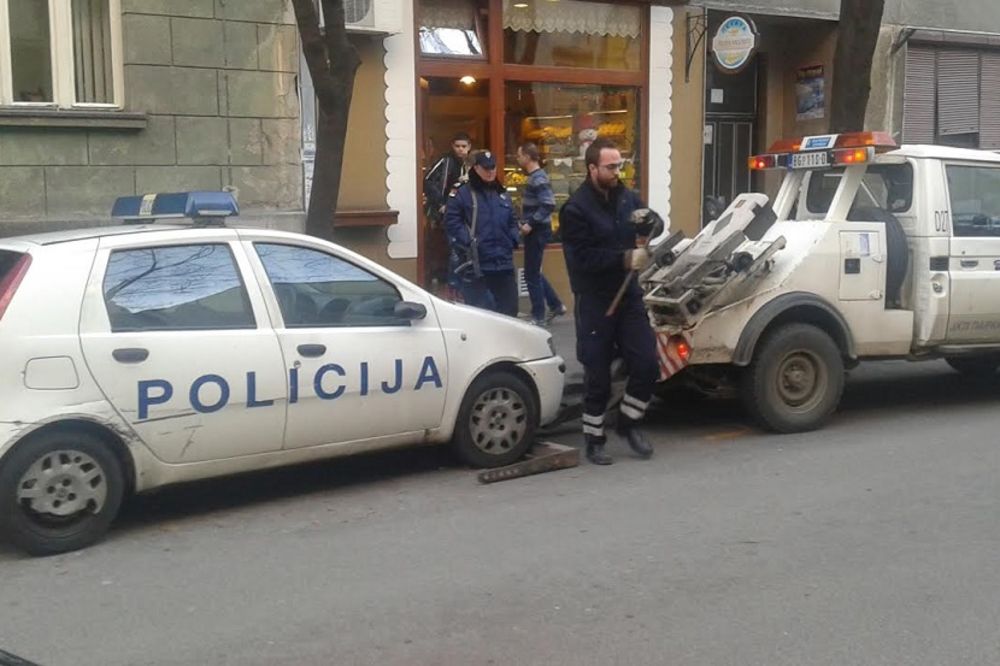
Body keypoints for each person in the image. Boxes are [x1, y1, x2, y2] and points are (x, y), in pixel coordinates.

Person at [560, 138, 658, 466]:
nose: (618, 171)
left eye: (620, 165)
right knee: (597, 375)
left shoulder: (626, 198)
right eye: (611, 166)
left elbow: (652, 221)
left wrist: (650, 225)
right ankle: (594, 438)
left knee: (647, 363)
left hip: (628, 297)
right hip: (595, 301)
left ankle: (628, 424)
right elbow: (581, 260)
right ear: (592, 168)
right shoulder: (575, 209)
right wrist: (625, 258)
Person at [445, 150, 520, 316]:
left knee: (510, 312)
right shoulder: (462, 193)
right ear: (476, 168)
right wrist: (469, 243)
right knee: (482, 314)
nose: (490, 172)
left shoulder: (501, 192)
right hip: (476, 266)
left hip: (504, 263)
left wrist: (513, 238)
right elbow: (452, 222)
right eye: (486, 168)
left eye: (493, 168)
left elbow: (513, 219)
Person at [515, 142, 567, 327]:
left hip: (537, 230)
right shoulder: (535, 177)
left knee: (531, 274)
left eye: (520, 155)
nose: (518, 158)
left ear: (528, 157)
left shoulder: (538, 178)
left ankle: (538, 315)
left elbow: (548, 203)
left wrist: (531, 222)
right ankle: (556, 304)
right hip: (537, 229)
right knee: (534, 271)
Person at [424, 133, 472, 293]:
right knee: (451, 249)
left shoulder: (471, 164)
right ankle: (450, 286)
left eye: (464, 146)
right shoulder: (445, 161)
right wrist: (441, 203)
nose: (460, 149)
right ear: (452, 146)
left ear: (469, 147)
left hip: (465, 214)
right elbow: (428, 180)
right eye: (457, 146)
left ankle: (458, 286)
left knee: (460, 250)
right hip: (446, 213)